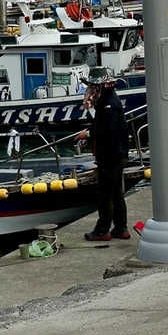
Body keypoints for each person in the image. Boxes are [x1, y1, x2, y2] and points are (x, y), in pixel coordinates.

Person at [74, 67, 130, 241]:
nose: (90, 88)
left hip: (110, 155)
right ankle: (121, 227)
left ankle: (102, 229)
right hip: (117, 153)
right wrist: (89, 132)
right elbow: (104, 125)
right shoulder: (109, 99)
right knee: (116, 192)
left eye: (92, 85)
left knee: (105, 193)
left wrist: (89, 134)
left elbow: (109, 129)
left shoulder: (108, 103)